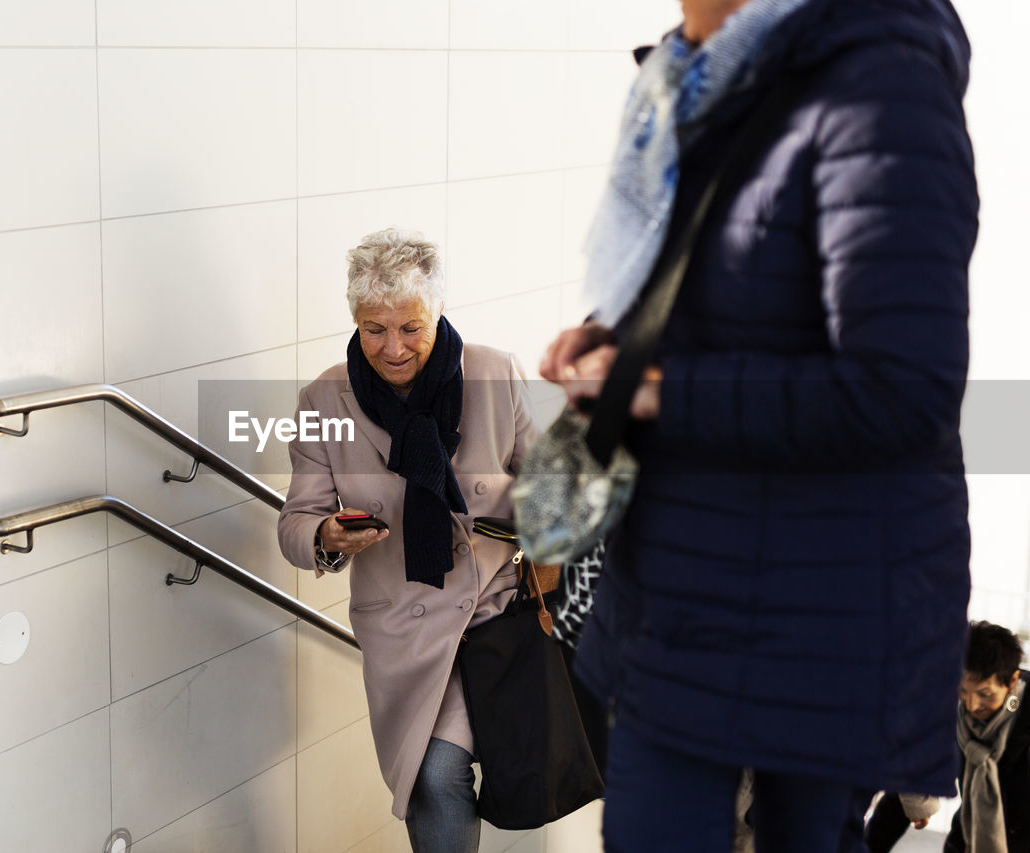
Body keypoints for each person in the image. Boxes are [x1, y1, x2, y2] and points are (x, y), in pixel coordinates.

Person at [539, 0, 978, 850]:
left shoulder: (883, 86)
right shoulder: (704, 69)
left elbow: (902, 390)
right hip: (686, 587)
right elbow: (727, 285)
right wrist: (616, 339)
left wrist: (662, 390)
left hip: (821, 613)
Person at [277, 228, 537, 853]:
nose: (393, 348)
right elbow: (294, 523)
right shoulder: (323, 397)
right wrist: (327, 534)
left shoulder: (494, 374)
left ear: (438, 312)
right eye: (374, 329)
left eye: (410, 327)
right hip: (402, 628)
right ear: (355, 322)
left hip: (494, 615)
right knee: (433, 774)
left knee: (490, 774)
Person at [943, 621, 1030, 852]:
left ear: (1012, 681)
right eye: (962, 691)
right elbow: (914, 769)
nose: (971, 705)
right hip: (966, 840)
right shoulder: (951, 712)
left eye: (985, 694)